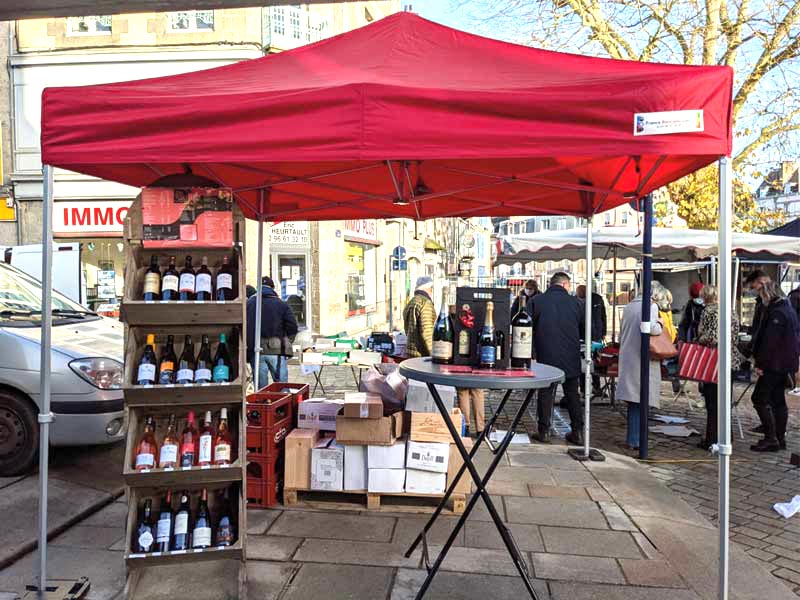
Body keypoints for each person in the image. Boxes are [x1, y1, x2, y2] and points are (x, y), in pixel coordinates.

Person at [530, 272, 584, 445]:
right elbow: (584, 330)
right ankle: (578, 431)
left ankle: (544, 431)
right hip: (571, 354)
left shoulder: (537, 301)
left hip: (546, 354)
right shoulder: (577, 303)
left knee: (546, 392)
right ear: (565, 284)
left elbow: (525, 327)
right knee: (572, 394)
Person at [750, 281, 800, 452]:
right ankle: (779, 437)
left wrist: (760, 363)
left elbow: (770, 342)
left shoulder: (778, 312)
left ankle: (772, 437)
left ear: (768, 294)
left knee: (759, 398)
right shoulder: (787, 309)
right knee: (778, 400)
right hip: (784, 363)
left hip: (775, 364)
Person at [696, 285, 744, 450]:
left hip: (713, 360)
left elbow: (711, 337)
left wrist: (700, 338)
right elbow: (736, 335)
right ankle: (726, 435)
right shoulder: (730, 310)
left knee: (712, 401)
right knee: (725, 400)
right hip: (730, 359)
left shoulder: (708, 311)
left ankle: (711, 438)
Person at [617, 283, 664, 450]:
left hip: (629, 357)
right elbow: (650, 328)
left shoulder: (629, 306)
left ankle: (633, 437)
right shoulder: (650, 306)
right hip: (642, 358)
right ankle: (637, 440)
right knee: (641, 400)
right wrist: (660, 324)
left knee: (633, 401)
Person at [246, 276, 299, 388]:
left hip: (256, 350)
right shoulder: (281, 304)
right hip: (277, 349)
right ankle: (283, 406)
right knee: (282, 388)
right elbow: (293, 327)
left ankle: (263, 404)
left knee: (261, 390)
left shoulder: (249, 304)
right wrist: (287, 342)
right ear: (272, 288)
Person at [576, 282, 607, 395]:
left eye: (582, 294)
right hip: (581, 336)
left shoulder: (597, 299)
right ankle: (583, 388)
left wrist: (603, 331)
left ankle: (596, 387)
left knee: (596, 361)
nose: (580, 295)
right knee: (582, 363)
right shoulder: (575, 300)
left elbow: (603, 316)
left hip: (596, 335)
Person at [403, 276, 436, 358]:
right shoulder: (425, 303)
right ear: (430, 288)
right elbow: (427, 332)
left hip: (410, 353)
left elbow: (407, 329)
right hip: (421, 356)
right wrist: (434, 354)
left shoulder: (412, 301)